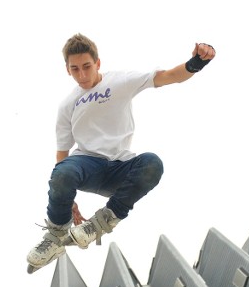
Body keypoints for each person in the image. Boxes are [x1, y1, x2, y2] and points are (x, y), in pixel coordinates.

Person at [26, 33, 216, 272]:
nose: (82, 75)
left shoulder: (120, 81)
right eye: (75, 69)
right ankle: (55, 237)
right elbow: (62, 154)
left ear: (98, 63)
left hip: (120, 167)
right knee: (62, 172)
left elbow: (169, 77)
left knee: (151, 163)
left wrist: (196, 62)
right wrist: (67, 196)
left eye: (87, 66)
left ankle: (102, 222)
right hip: (87, 165)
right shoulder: (67, 104)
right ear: (67, 70)